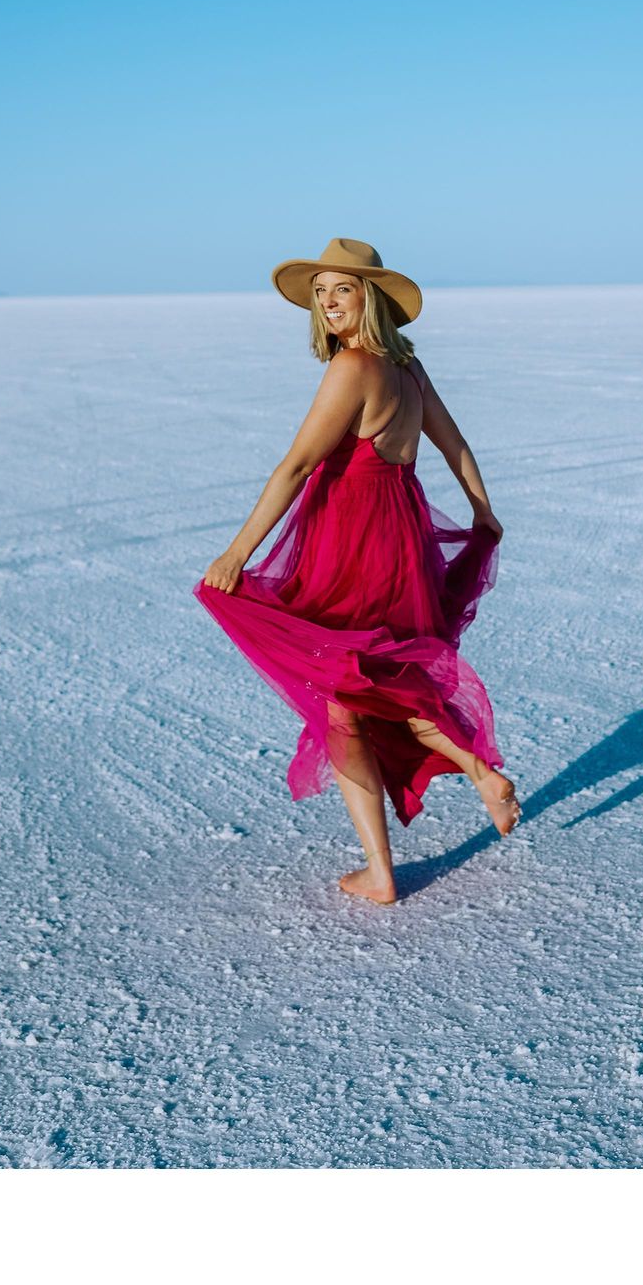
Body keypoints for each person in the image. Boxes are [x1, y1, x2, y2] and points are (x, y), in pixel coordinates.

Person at [194, 237, 520, 905]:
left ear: (369, 297)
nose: (329, 304)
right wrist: (483, 513)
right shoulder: (410, 370)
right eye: (321, 293)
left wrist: (237, 555)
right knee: (384, 685)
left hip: (348, 546)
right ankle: (476, 771)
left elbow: (296, 466)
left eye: (342, 289)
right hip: (400, 542)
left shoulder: (352, 370)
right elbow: (455, 447)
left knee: (345, 701)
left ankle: (382, 870)